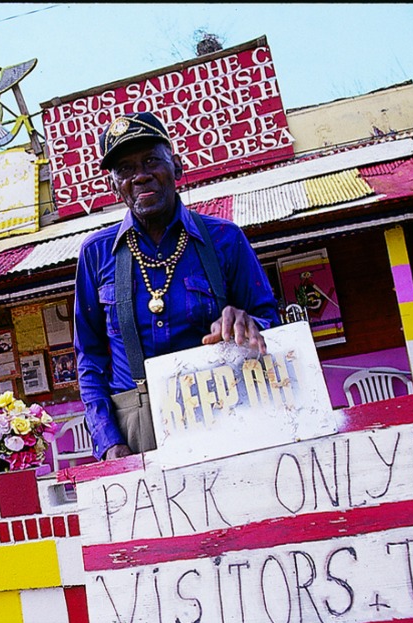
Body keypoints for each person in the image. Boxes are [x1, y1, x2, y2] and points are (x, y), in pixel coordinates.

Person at [73, 111, 281, 460]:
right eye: (124, 169)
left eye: (152, 160)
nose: (140, 176)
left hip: (227, 408)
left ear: (178, 168)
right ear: (113, 186)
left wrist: (249, 323)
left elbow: (270, 322)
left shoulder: (224, 239)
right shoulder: (96, 254)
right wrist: (109, 440)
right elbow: (90, 359)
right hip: (138, 427)